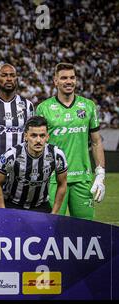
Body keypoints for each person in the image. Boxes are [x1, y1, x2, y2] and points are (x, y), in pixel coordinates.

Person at [36, 63, 105, 220]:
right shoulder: (43, 108)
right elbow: (36, 144)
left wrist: (101, 174)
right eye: (64, 78)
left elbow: (96, 142)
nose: (69, 81)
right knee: (52, 228)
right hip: (53, 179)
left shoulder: (88, 106)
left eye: (72, 77)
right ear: (55, 81)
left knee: (85, 229)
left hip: (82, 178)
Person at [0, 116, 68, 213]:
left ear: (47, 137)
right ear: (25, 136)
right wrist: (3, 211)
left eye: (42, 136)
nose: (38, 140)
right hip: (13, 204)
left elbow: (62, 184)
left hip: (40, 205)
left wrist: (54, 213)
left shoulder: (56, 155)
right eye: (33, 135)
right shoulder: (12, 155)